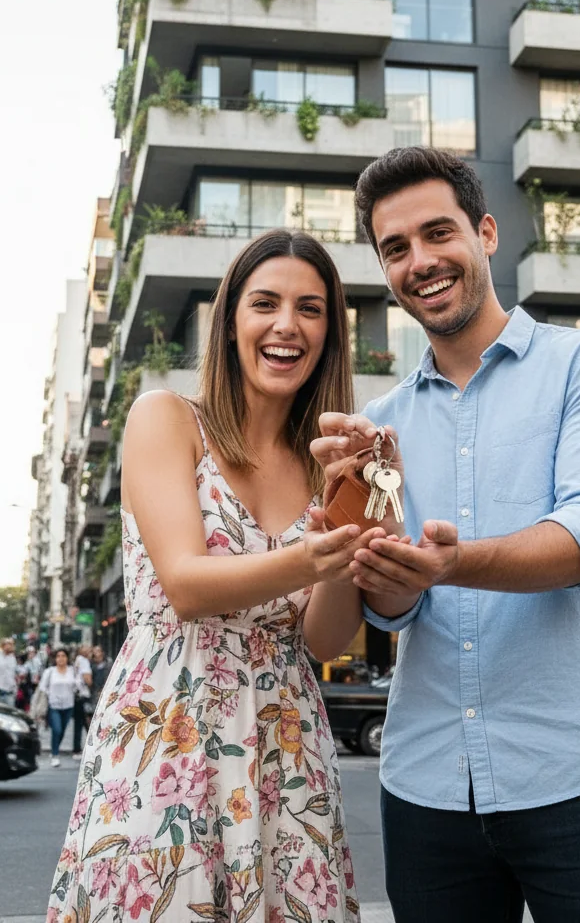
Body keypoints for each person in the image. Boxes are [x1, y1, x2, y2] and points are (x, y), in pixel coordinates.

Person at [310, 148, 580, 922]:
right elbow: (394, 611)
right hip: (428, 785)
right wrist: (377, 568)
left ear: (486, 232)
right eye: (395, 248)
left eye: (438, 233)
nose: (421, 262)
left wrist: (449, 563)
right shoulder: (379, 428)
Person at [47, 230, 376, 922]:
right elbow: (186, 584)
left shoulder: (324, 460)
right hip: (169, 728)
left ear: (328, 334)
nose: (287, 325)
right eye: (266, 303)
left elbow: (324, 639)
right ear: (230, 322)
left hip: (287, 744)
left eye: (310, 309)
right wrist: (311, 555)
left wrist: (352, 527)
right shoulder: (166, 419)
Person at [39, 648, 87, 767]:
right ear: (55, 659)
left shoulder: (72, 671)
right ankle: (55, 755)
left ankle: (55, 748)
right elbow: (42, 687)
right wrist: (50, 693)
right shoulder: (50, 671)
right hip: (54, 704)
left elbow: (79, 687)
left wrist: (77, 683)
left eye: (63, 656)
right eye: (58, 656)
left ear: (67, 658)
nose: (61, 658)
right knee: (57, 729)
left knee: (62, 731)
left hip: (68, 705)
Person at [71, 645, 93, 761]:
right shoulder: (84, 661)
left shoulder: (78, 660)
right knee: (86, 722)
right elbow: (87, 679)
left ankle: (79, 747)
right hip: (83, 695)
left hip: (78, 695)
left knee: (81, 723)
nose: (89, 650)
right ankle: (80, 748)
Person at [84, 645, 111, 728]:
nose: (96, 653)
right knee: (89, 717)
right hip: (91, 695)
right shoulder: (89, 665)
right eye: (94, 651)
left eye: (98, 651)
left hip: (103, 695)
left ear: (102, 653)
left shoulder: (108, 665)